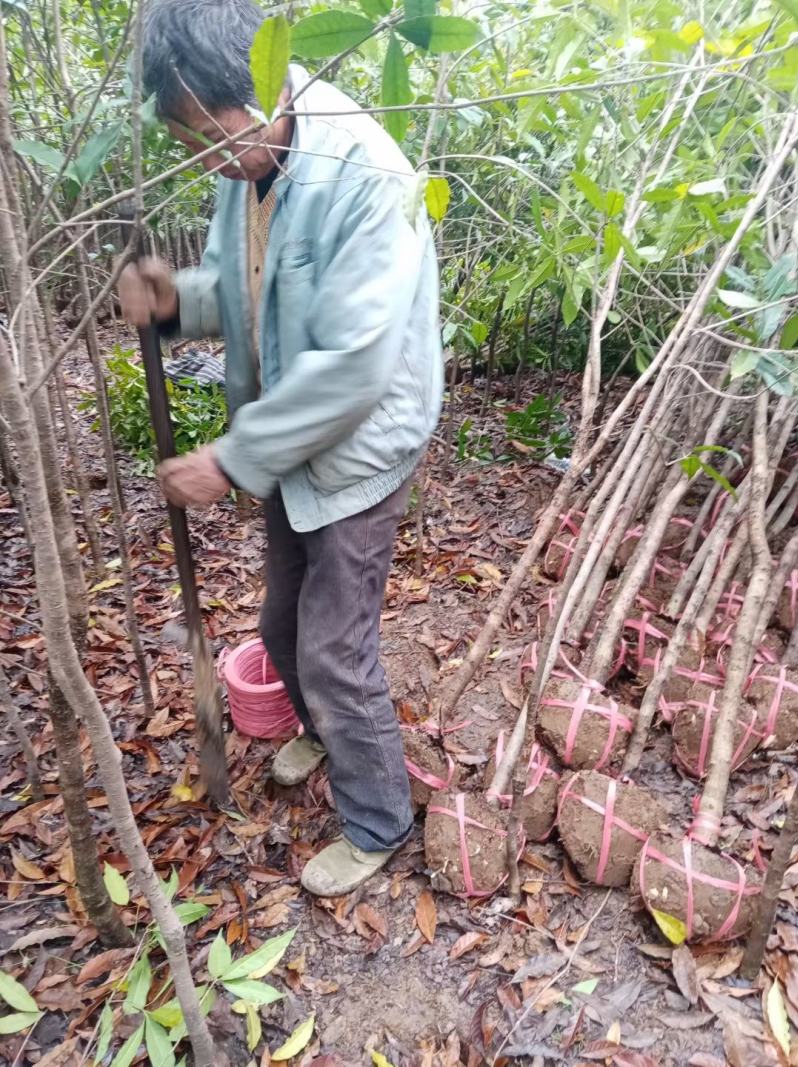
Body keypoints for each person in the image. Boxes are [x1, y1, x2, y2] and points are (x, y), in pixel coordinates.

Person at [118, 0, 442, 896]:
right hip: (293, 447)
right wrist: (177, 299)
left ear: (262, 85)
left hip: (359, 450)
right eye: (188, 137)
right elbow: (246, 286)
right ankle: (318, 728)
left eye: (210, 132)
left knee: (337, 651)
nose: (206, 156)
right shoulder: (248, 160)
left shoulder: (366, 174)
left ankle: (379, 820)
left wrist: (230, 459)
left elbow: (354, 365)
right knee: (278, 626)